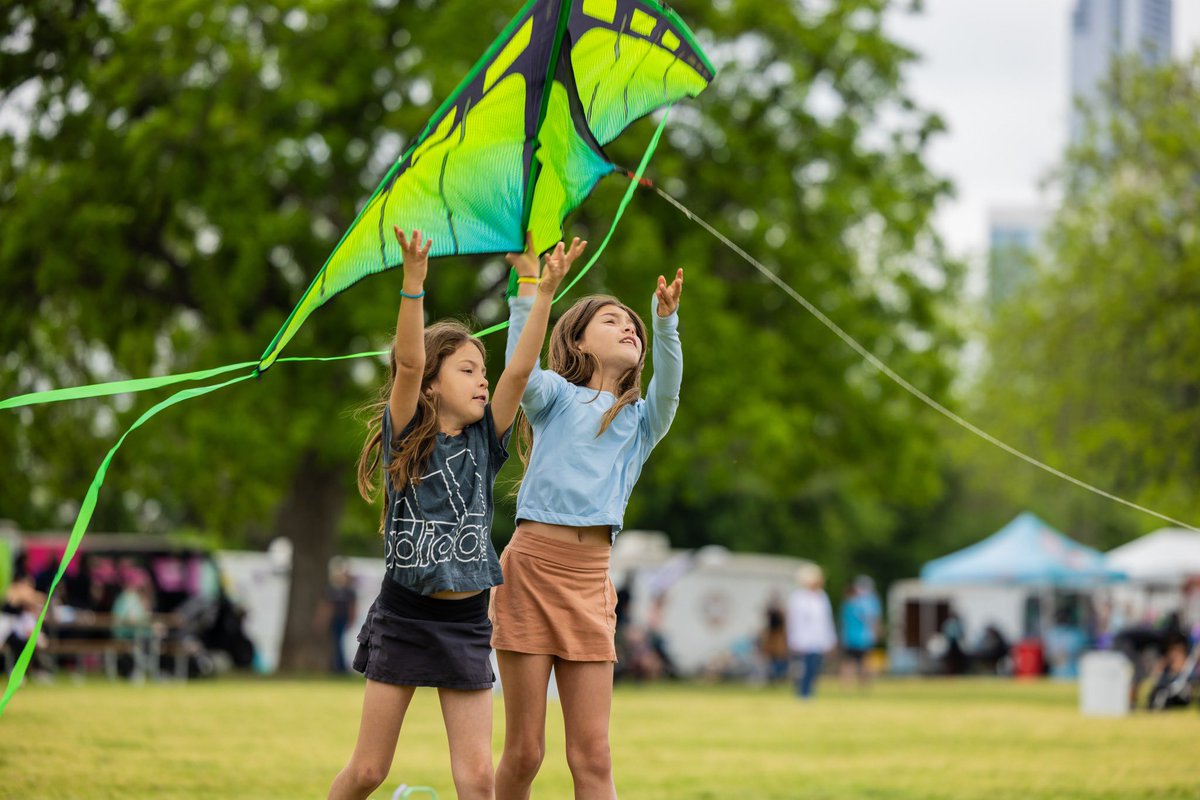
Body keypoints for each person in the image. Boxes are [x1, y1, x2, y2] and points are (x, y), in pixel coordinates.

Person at [327, 228, 583, 800]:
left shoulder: (484, 442)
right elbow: (409, 365)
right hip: (405, 613)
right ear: (436, 384)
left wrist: (538, 289)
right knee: (369, 771)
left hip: (466, 623)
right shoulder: (404, 436)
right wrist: (413, 284)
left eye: (481, 369)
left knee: (476, 780)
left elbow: (519, 371)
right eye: (467, 369)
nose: (482, 378)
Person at [490, 240, 685, 799]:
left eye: (633, 326)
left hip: (589, 581)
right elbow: (519, 370)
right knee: (525, 752)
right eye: (611, 320)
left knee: (593, 757)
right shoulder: (553, 397)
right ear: (577, 341)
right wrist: (535, 291)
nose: (629, 328)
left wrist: (664, 324)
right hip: (531, 571)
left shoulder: (642, 423)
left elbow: (668, 390)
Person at [786, 565, 836, 700]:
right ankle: (802, 692)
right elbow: (794, 621)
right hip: (803, 639)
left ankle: (809, 691)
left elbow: (826, 619)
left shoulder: (822, 597)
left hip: (818, 638)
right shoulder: (798, 597)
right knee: (804, 667)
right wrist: (794, 639)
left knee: (815, 666)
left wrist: (830, 638)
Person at [839, 575, 881, 688]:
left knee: (849, 662)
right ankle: (865, 686)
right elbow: (873, 620)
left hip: (850, 637)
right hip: (864, 637)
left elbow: (843, 622)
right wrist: (876, 633)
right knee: (865, 661)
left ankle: (847, 686)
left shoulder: (848, 603)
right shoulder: (869, 602)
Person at [323, 559, 358, 674]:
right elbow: (328, 606)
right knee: (337, 643)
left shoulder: (349, 591)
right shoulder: (333, 590)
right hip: (335, 619)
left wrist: (351, 618)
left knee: (339, 643)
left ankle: (340, 666)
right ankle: (338, 665)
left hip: (343, 619)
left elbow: (352, 607)